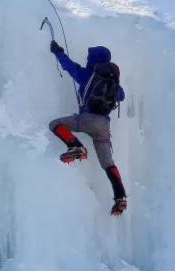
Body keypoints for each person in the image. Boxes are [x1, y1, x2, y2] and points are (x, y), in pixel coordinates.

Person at [47, 42, 127, 216]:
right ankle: (120, 196)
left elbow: (68, 66)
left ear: (93, 60)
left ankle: (75, 146)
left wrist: (58, 52)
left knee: (55, 124)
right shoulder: (114, 83)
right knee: (108, 163)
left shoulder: (88, 75)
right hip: (104, 126)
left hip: (87, 119)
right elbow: (121, 96)